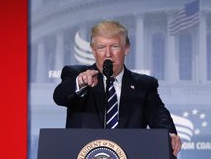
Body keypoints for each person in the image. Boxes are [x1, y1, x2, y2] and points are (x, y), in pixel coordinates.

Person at [53, 20, 181, 157]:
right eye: (101, 47)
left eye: (114, 46)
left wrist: (168, 135)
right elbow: (60, 96)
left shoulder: (144, 86)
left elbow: (160, 118)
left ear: (126, 49)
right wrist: (80, 83)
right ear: (93, 50)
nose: (108, 54)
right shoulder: (75, 75)